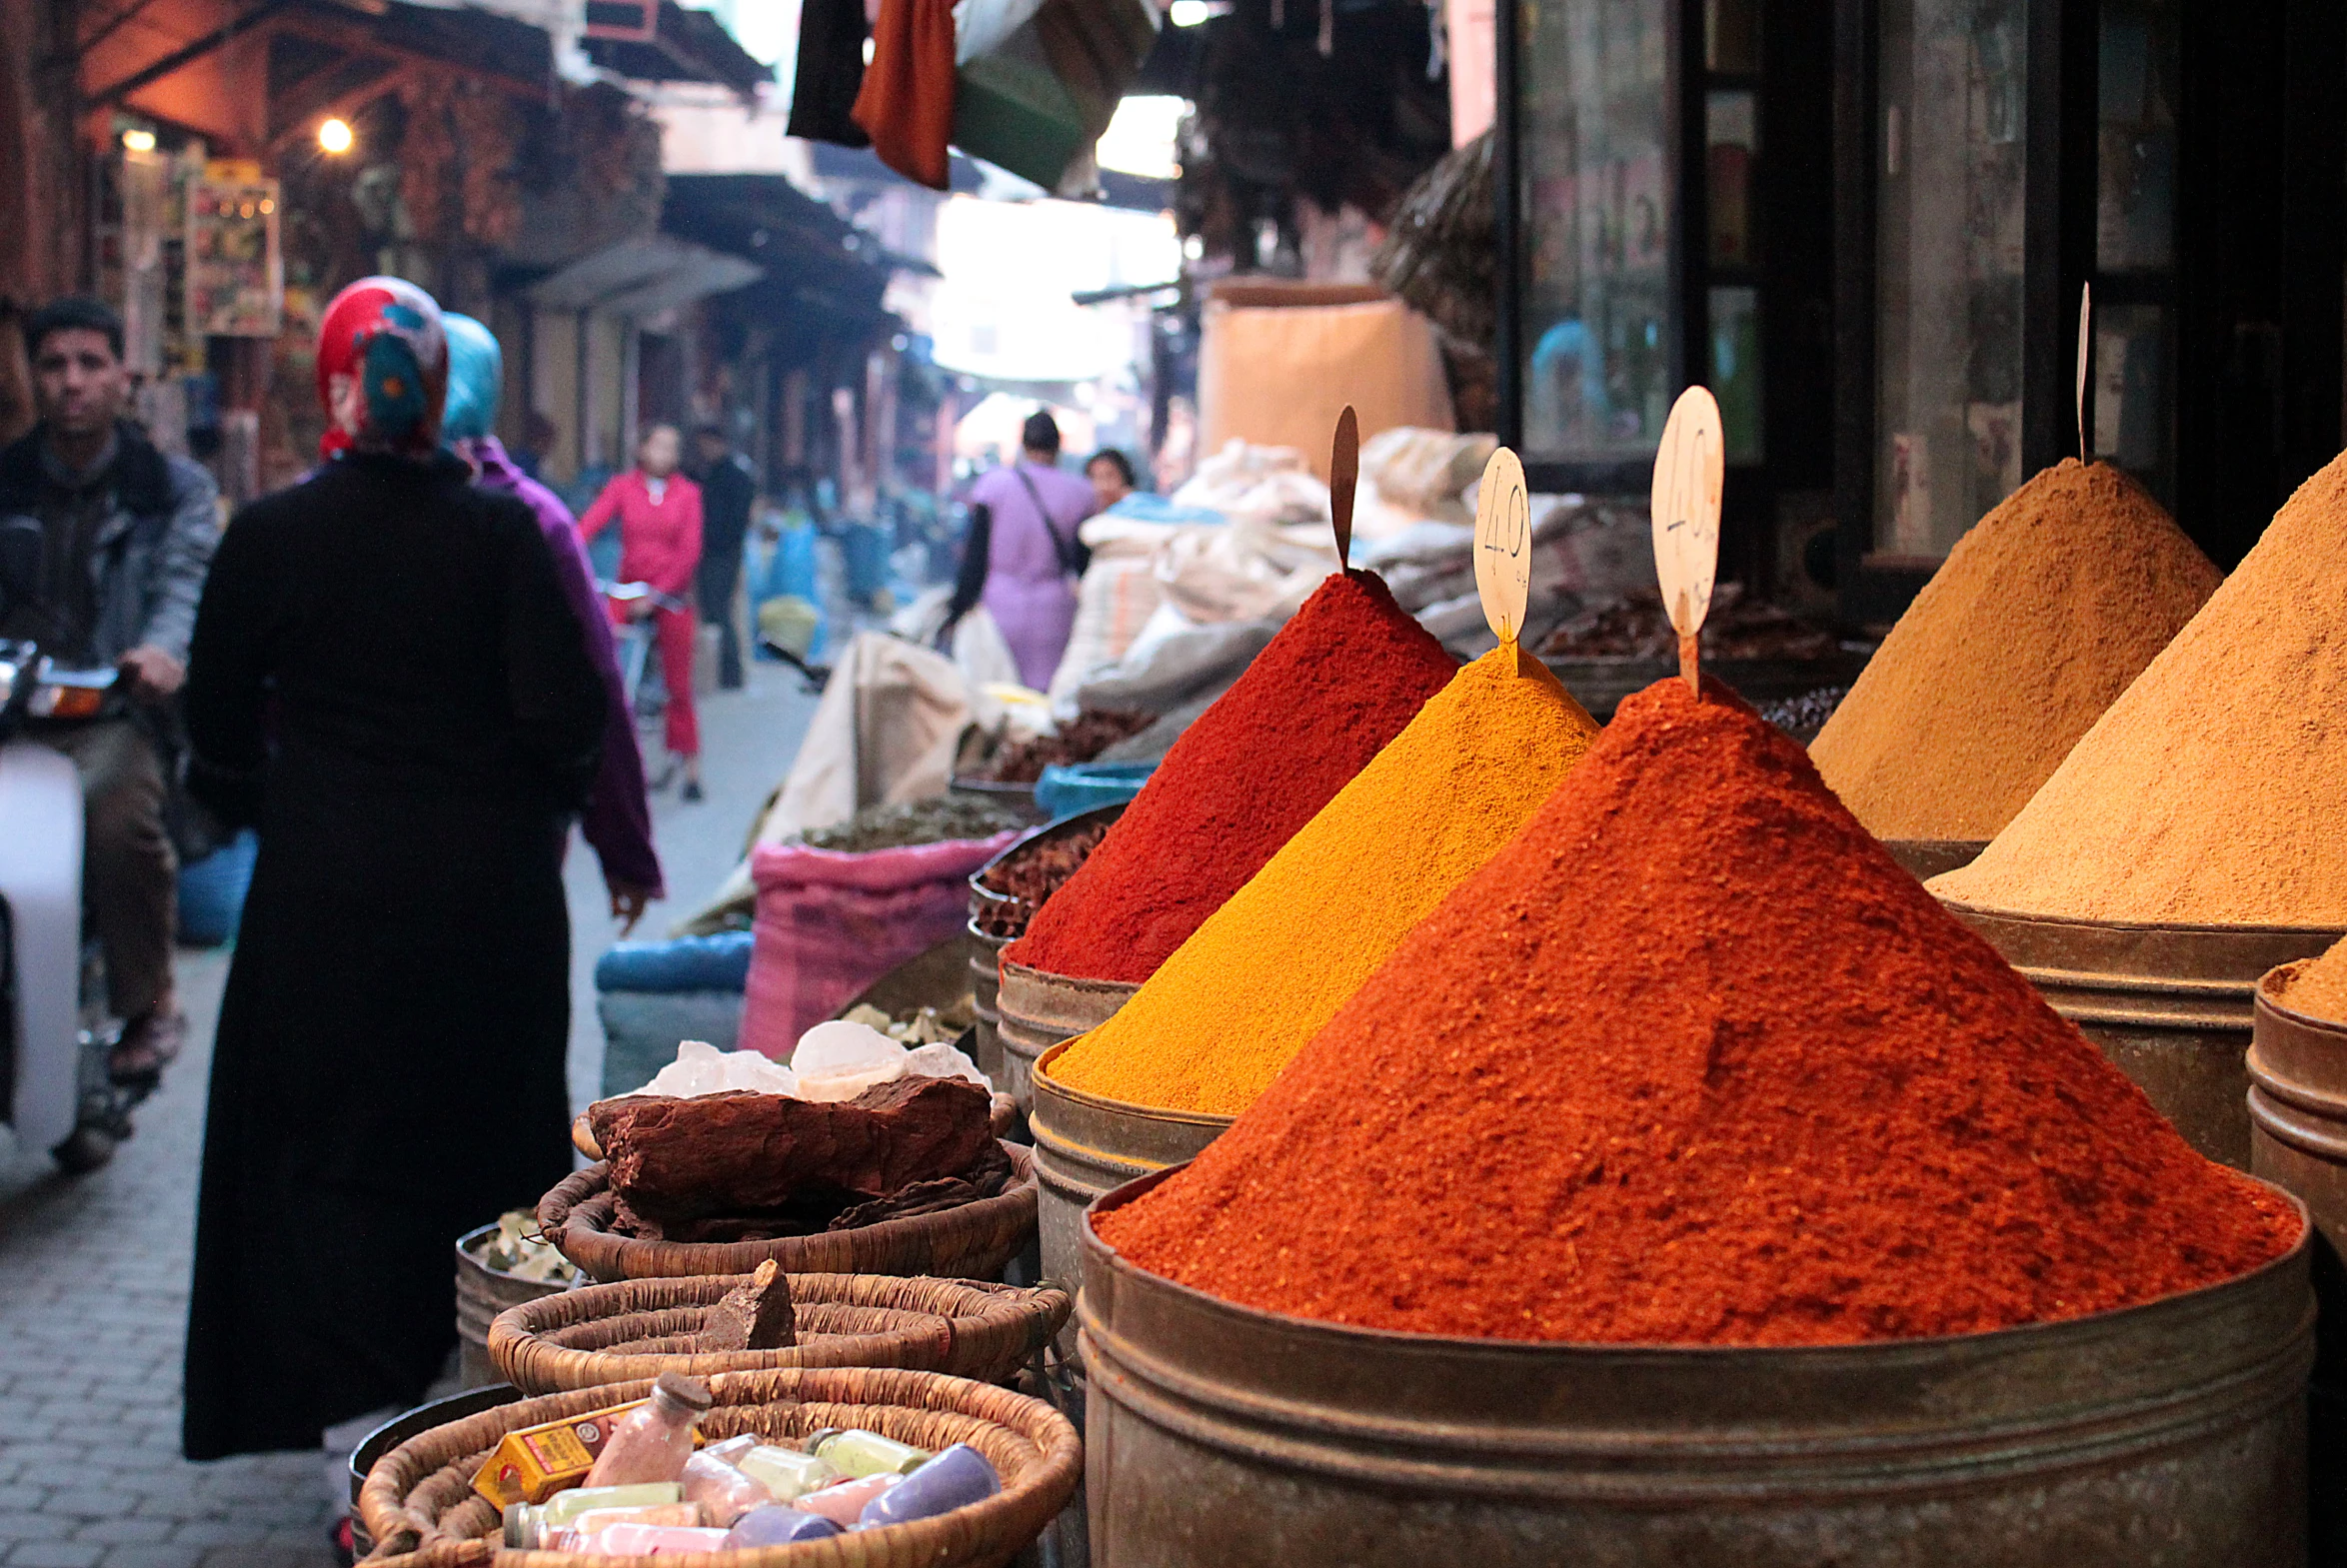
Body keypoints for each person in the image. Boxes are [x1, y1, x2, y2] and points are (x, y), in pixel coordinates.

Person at [181, 278, 606, 1461]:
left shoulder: (270, 537)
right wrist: (526, 813)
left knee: (337, 1153)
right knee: (485, 1150)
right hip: (492, 907)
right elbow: (567, 715)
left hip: (327, 903)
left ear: (334, 391)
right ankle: (483, 1407)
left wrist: (284, 803)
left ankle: (365, 1448)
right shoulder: (502, 534)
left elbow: (212, 731)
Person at [0, 295, 217, 1087]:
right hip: (11, 715)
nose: (71, 382)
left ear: (123, 375)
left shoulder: (170, 488)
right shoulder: (9, 480)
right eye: (54, 364)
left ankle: (147, 1002)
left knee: (119, 822)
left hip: (110, 715)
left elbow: (185, 581)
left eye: (90, 363)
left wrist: (161, 651)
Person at [440, 313, 663, 928]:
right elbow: (596, 692)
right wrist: (626, 854)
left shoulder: (323, 512)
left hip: (363, 851)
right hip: (509, 840)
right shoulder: (535, 521)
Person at [580, 425, 705, 800]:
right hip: (626, 589)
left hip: (669, 595)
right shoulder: (622, 487)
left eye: (673, 447)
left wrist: (658, 594)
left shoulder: (688, 495)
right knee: (599, 662)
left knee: (678, 686)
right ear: (642, 448)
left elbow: (689, 552)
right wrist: (565, 551)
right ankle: (597, 759)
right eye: (659, 445)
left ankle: (691, 768)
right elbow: (589, 525)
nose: (665, 454)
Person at [955, 411, 1097, 692]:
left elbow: (976, 554)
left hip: (999, 604)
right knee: (1045, 697)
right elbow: (1084, 562)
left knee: (998, 692)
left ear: (1023, 444)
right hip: (1055, 611)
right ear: (1058, 447)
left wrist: (960, 604)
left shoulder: (993, 485)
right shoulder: (1081, 493)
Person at [689, 422, 757, 691]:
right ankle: (717, 673)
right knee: (711, 611)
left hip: (723, 554)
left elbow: (736, 522)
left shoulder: (736, 477)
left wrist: (720, 543)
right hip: (706, 553)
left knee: (720, 611)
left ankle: (730, 673)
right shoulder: (704, 475)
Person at [1087, 448, 1137, 513]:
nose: (1102, 485)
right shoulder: (1082, 514)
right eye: (1094, 477)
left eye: (1109, 476)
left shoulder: (1138, 507)